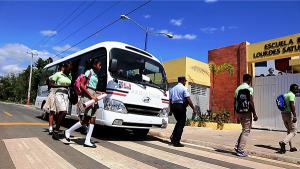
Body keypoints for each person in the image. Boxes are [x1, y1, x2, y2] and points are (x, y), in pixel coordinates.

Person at [64, 58, 104, 148]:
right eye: (99, 65)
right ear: (94, 65)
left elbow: (92, 87)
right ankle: (68, 131)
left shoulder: (96, 75)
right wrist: (91, 96)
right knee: (85, 120)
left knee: (93, 119)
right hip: (88, 96)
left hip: (93, 95)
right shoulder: (88, 72)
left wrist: (99, 93)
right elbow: (82, 85)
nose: (100, 67)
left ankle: (87, 140)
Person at [234, 74, 258, 157]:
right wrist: (254, 113)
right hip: (246, 113)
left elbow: (235, 102)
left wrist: (236, 113)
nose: (251, 81)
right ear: (248, 79)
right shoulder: (249, 88)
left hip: (239, 112)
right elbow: (251, 101)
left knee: (244, 130)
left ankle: (237, 146)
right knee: (246, 131)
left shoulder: (238, 89)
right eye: (250, 80)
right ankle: (240, 150)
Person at [169, 76, 196, 147]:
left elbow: (170, 101)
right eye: (185, 81)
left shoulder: (172, 89)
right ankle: (176, 141)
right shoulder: (184, 88)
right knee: (181, 124)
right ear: (182, 81)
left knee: (179, 122)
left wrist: (171, 110)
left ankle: (173, 136)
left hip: (174, 106)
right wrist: (193, 108)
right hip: (180, 106)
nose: (185, 82)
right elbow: (188, 99)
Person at [49, 62, 72, 140]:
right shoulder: (58, 74)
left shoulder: (69, 76)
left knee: (63, 113)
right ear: (64, 68)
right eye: (68, 69)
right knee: (64, 111)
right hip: (59, 94)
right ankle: (56, 131)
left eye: (70, 70)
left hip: (66, 95)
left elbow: (69, 85)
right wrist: (62, 85)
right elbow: (51, 84)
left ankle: (56, 126)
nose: (69, 71)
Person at [44, 64, 64, 135]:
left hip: (59, 95)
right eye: (63, 68)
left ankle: (54, 125)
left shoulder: (64, 76)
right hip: (53, 94)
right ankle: (50, 128)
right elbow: (48, 80)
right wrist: (49, 87)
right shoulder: (56, 75)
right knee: (52, 112)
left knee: (59, 112)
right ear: (60, 69)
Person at [279, 84, 298, 154]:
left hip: (283, 114)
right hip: (289, 114)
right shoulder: (292, 95)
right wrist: (295, 116)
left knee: (289, 131)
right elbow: (291, 105)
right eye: (296, 89)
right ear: (292, 89)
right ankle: (283, 142)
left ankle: (291, 147)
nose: (297, 90)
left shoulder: (285, 94)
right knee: (294, 131)